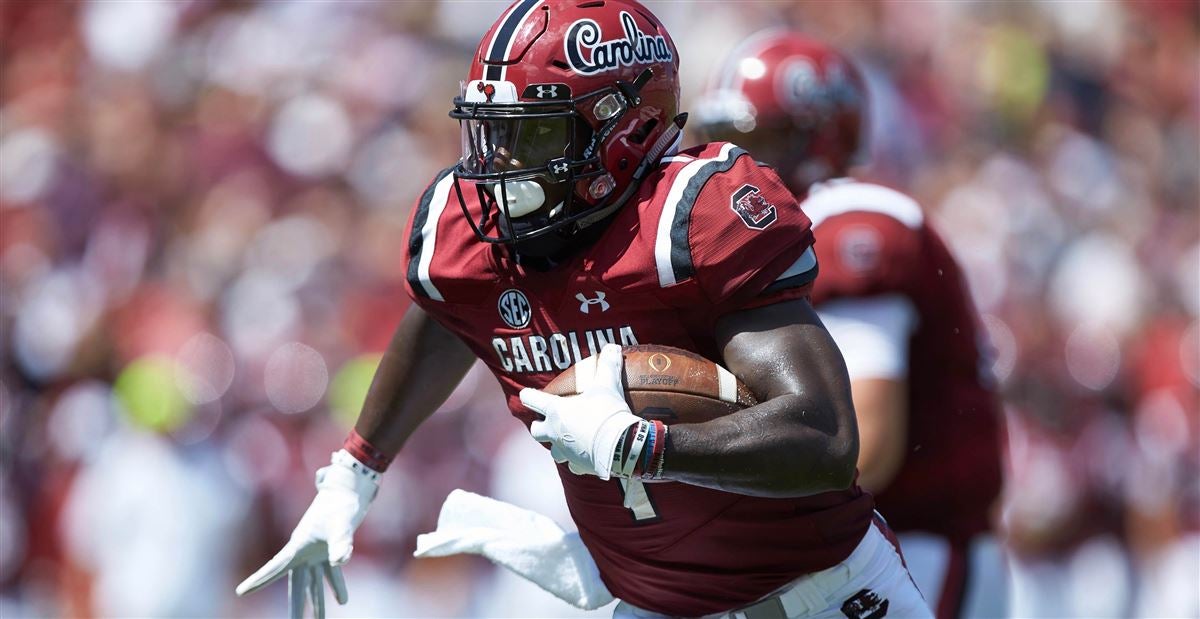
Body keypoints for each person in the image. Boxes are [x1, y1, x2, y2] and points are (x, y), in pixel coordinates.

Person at [235, 3, 928, 617]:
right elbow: (448, 310)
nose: (499, 166)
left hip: (822, 593)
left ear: (622, 132)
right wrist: (356, 470)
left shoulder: (688, 223)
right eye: (492, 132)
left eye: (531, 135)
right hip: (659, 604)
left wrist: (646, 446)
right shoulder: (470, 233)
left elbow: (826, 439)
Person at [693, 33, 1006, 619]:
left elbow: (867, 445)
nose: (730, 166)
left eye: (756, 143)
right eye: (718, 142)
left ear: (818, 140)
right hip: (842, 549)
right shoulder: (756, 241)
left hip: (912, 549)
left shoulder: (853, 225)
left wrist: (712, 507)